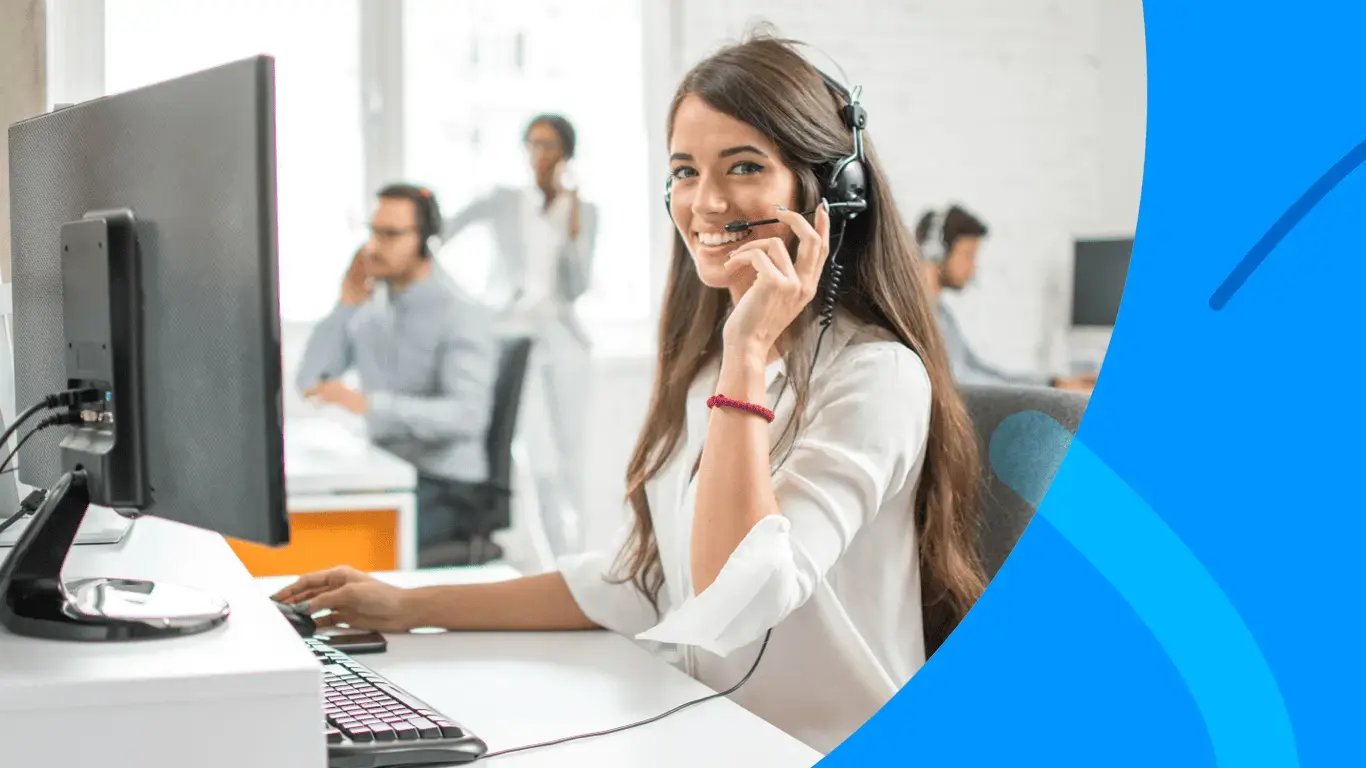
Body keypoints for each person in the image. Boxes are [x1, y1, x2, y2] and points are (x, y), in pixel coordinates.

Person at [275, 36, 986, 753]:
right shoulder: (711, 368)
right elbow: (646, 581)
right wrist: (407, 605)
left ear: (833, 190)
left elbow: (730, 596)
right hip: (714, 729)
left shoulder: (876, 376)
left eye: (743, 166)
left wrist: (746, 353)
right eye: (684, 171)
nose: (705, 202)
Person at [297, 183, 500, 557]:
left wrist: (371, 406)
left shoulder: (460, 312)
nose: (374, 247)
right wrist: (346, 303)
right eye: (372, 232)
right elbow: (310, 381)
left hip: (446, 487)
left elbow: (468, 416)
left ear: (425, 239)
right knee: (301, 526)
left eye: (390, 234)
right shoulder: (371, 307)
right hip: (384, 473)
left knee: (337, 549)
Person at [442, 114, 598, 556]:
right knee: (529, 453)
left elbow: (579, 284)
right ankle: (541, 557)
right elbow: (441, 233)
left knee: (571, 452)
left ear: (565, 153)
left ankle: (578, 556)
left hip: (563, 337)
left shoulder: (584, 211)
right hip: (512, 334)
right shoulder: (502, 201)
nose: (538, 155)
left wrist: (572, 232)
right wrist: (472, 306)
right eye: (531, 144)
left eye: (548, 145)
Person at [915, 205, 1095, 392]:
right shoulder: (921, 316)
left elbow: (982, 372)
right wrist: (1052, 392)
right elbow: (962, 382)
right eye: (968, 255)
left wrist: (1054, 383)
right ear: (935, 252)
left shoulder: (943, 315)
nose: (973, 267)